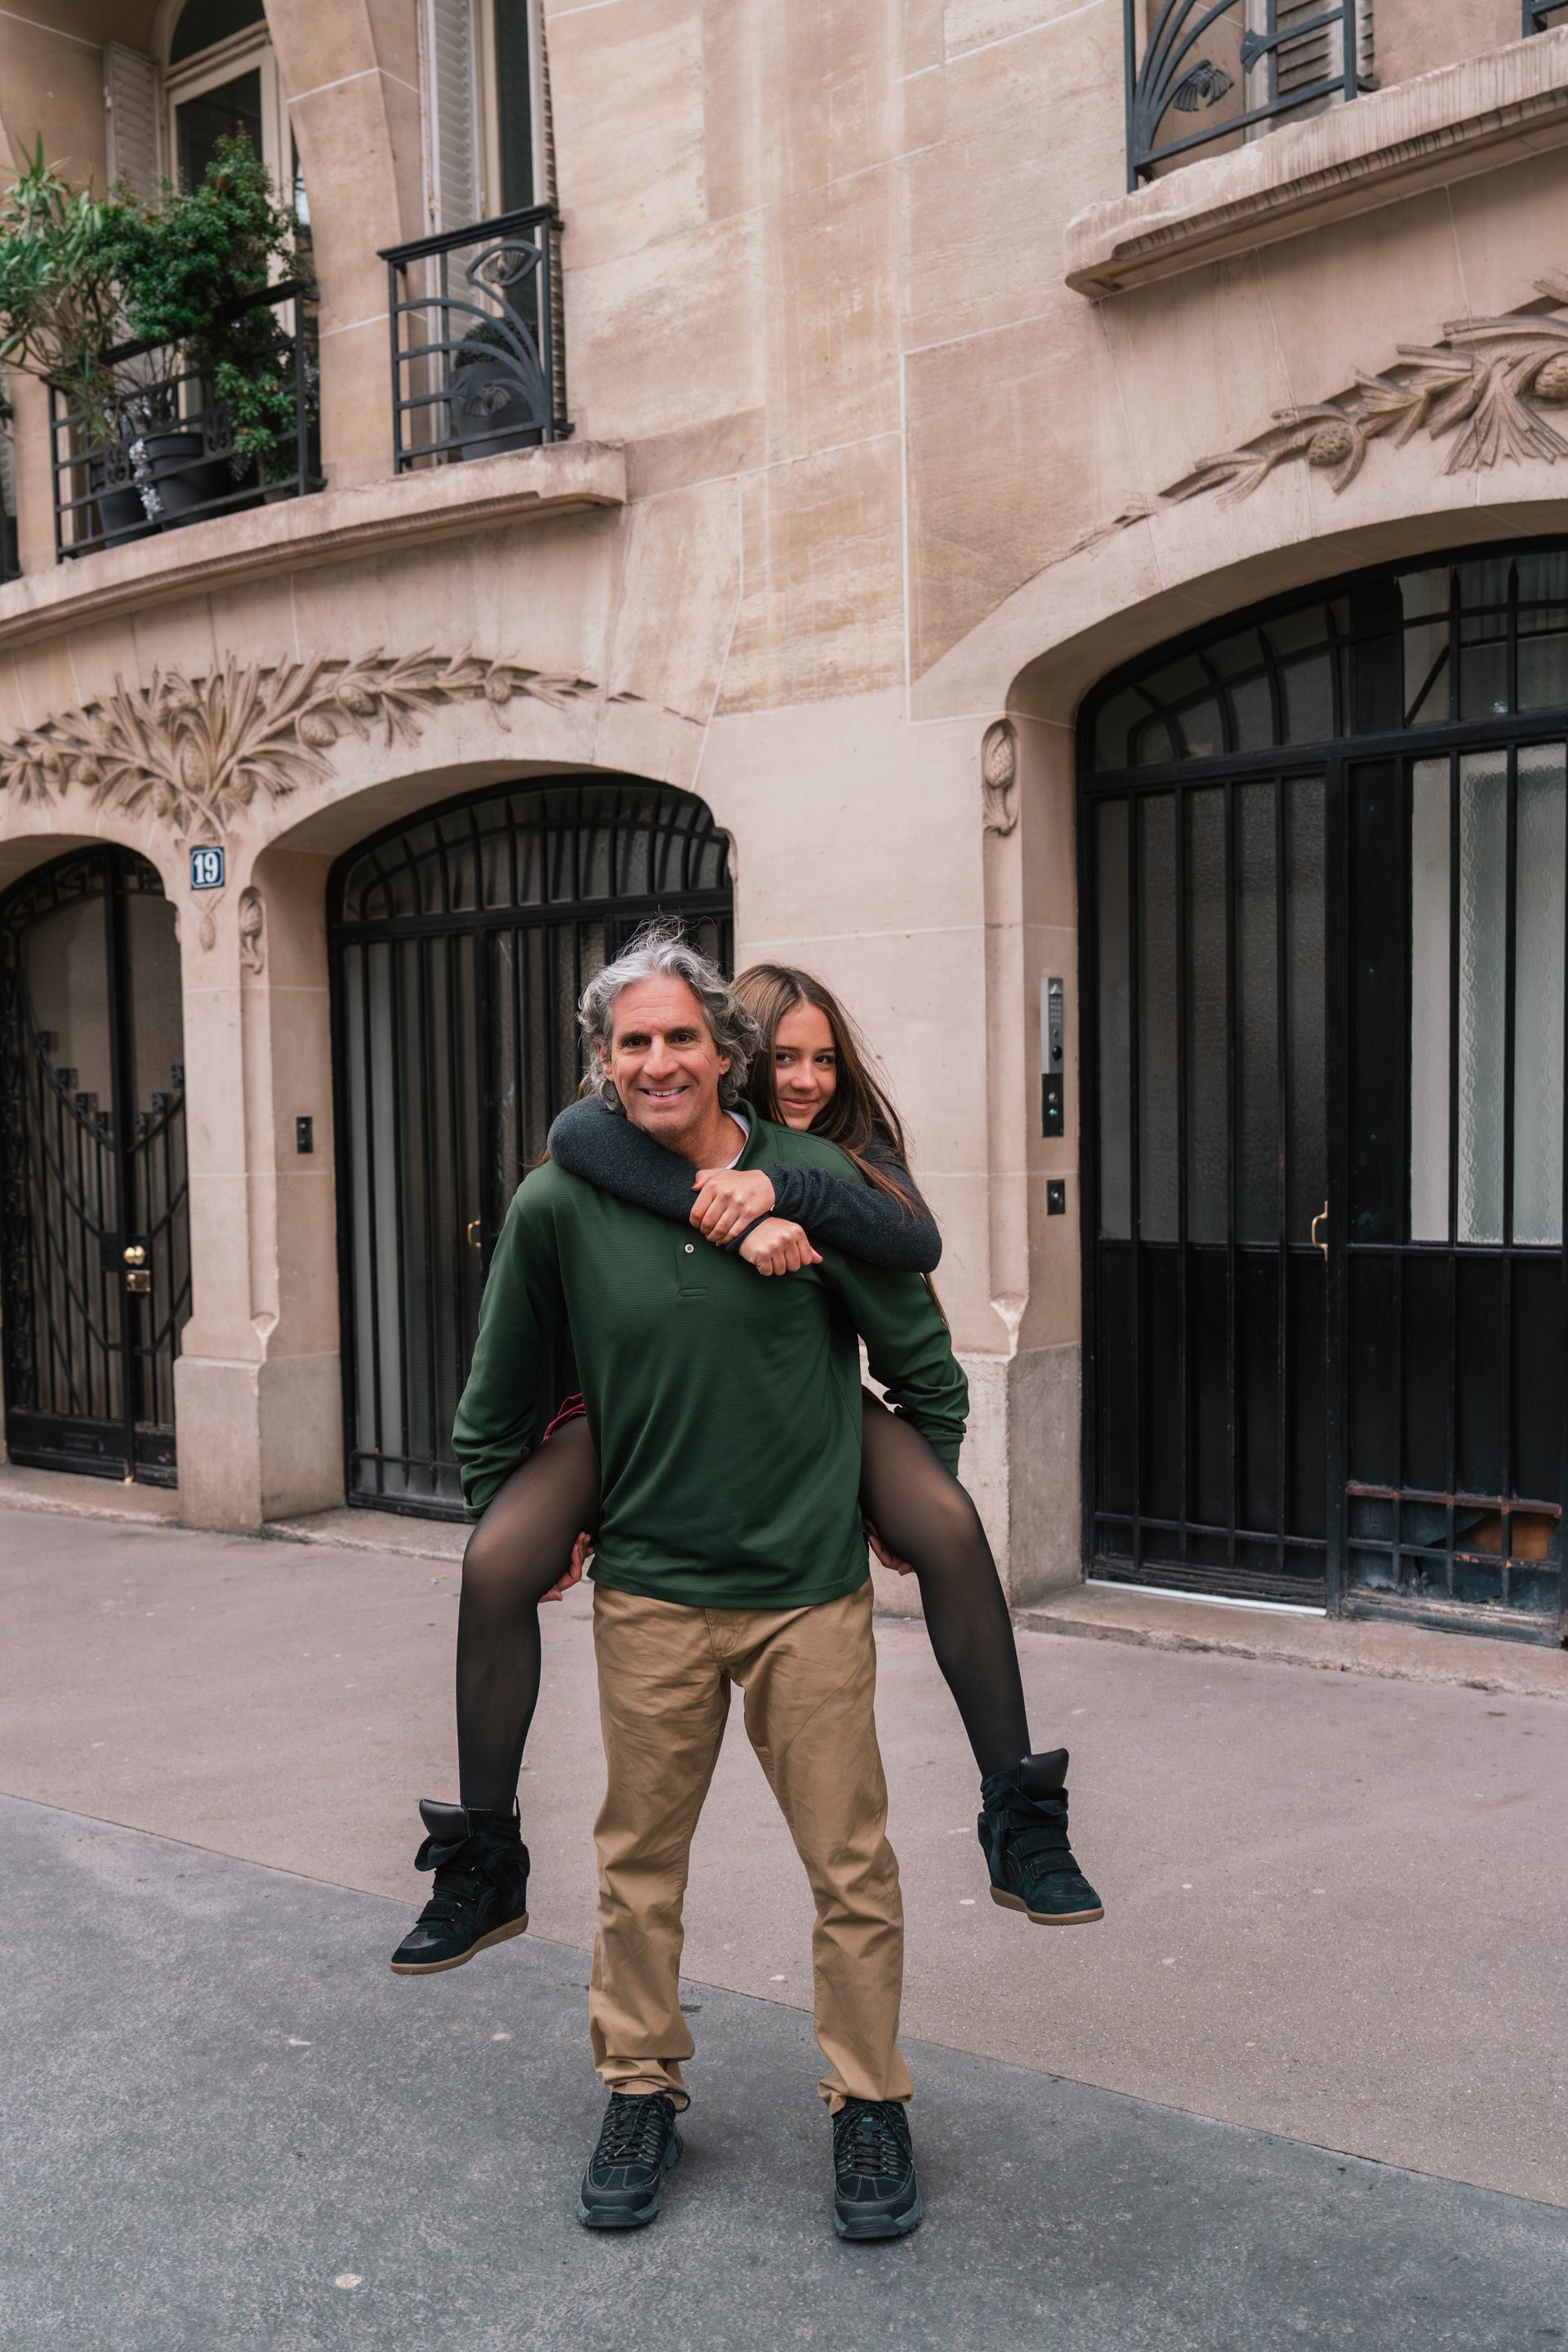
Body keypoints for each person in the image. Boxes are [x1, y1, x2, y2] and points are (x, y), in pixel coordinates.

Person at [389, 963, 1102, 1982]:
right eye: (788, 1058)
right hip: (633, 1414)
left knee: (945, 1523)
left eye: (824, 1061)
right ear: (743, 1057)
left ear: (725, 1056)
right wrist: (723, 1206)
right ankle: (484, 1859)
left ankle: (1020, 1814)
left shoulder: (837, 1160)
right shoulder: (599, 1151)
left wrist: (782, 1190)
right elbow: (579, 1136)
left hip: (803, 1404)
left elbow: (915, 1257)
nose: (804, 1080)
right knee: (496, 1557)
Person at [450, 928, 966, 2235]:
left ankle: (870, 2102)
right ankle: (639, 2089)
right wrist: (525, 1525)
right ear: (602, 1060)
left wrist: (905, 1504)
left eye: (683, 1036)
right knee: (638, 1867)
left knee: (851, 1865)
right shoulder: (558, 1204)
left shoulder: (815, 1184)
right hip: (652, 1594)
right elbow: (497, 1396)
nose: (660, 1061)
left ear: (725, 1052)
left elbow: (923, 1362)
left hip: (807, 1593)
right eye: (634, 1041)